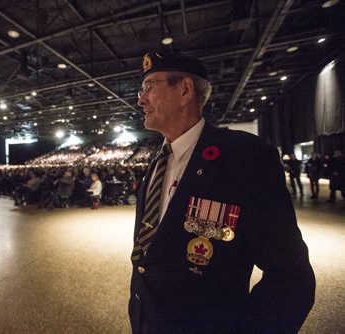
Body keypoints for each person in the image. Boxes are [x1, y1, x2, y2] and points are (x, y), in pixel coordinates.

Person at [129, 51, 315, 333]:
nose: (140, 99)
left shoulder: (243, 157)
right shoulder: (159, 159)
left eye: (149, 87)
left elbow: (291, 277)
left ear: (185, 89)